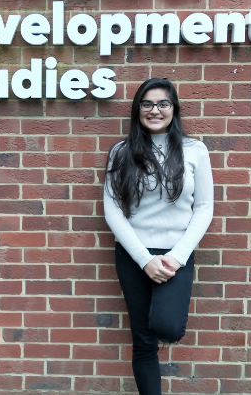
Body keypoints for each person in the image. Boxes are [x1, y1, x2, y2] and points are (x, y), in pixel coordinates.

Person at [103, 78, 214, 395]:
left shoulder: (195, 150)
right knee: (143, 342)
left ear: (173, 109)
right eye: (147, 104)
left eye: (163, 103)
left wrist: (177, 257)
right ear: (138, 109)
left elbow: (204, 208)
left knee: (167, 326)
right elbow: (113, 210)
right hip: (134, 254)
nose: (155, 110)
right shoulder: (122, 152)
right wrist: (144, 260)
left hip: (175, 254)